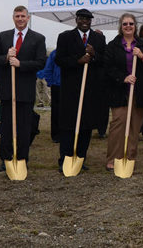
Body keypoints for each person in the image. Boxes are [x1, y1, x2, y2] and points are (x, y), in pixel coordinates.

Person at [0, 5, 46, 170]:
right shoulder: (3, 37)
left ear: (28, 18)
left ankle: (22, 158)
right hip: (8, 89)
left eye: (23, 16)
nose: (20, 19)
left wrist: (20, 64)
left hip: (25, 90)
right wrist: (7, 58)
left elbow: (41, 62)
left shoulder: (38, 38)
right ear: (13, 18)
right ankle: (6, 158)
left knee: (24, 126)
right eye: (17, 16)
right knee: (6, 126)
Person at [55, 9, 106, 171]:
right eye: (82, 18)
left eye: (88, 19)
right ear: (76, 20)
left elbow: (104, 60)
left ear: (92, 21)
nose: (85, 21)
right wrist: (78, 60)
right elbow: (59, 59)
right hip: (71, 88)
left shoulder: (98, 38)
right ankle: (65, 158)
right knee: (68, 124)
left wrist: (94, 54)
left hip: (91, 89)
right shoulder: (65, 37)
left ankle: (81, 158)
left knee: (86, 125)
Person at [104, 13, 143, 171]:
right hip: (120, 91)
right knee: (118, 124)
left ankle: (130, 156)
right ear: (121, 26)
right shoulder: (113, 45)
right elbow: (108, 67)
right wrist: (123, 78)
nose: (128, 26)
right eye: (125, 24)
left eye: (131, 24)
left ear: (135, 26)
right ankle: (113, 158)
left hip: (139, 93)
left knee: (134, 126)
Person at [37, 49, 60, 143]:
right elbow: (49, 68)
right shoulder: (55, 53)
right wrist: (51, 82)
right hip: (56, 85)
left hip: (70, 86)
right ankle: (56, 135)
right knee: (56, 111)